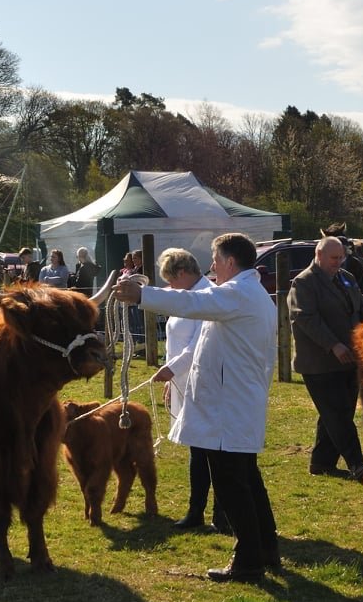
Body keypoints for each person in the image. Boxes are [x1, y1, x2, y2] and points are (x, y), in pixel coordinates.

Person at [115, 233, 278, 583]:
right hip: (233, 405)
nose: (212, 267)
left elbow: (192, 304)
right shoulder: (250, 293)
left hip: (227, 408)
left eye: (216, 261)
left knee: (233, 486)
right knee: (248, 481)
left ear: (231, 263)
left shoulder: (238, 294)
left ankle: (249, 561)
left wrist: (142, 294)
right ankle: (265, 550)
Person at [152, 248, 226, 533]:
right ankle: (196, 510)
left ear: (182, 274)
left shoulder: (206, 298)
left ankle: (220, 513)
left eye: (171, 281)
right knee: (198, 450)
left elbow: (197, 345)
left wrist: (172, 369)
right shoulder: (188, 297)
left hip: (204, 383)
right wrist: (173, 380)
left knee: (213, 453)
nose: (170, 288)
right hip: (185, 381)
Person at [289, 236, 363, 481]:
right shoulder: (303, 283)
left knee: (338, 413)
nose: (339, 262)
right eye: (334, 258)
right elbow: (305, 318)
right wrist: (332, 345)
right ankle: (357, 463)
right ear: (319, 255)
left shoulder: (348, 278)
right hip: (319, 363)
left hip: (350, 359)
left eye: (341, 257)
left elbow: (361, 309)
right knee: (336, 412)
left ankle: (322, 463)